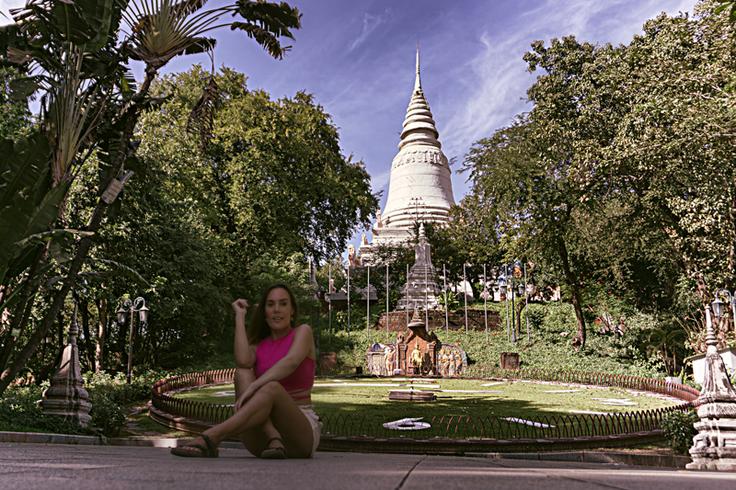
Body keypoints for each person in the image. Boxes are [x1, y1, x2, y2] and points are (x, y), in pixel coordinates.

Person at [171, 284, 320, 459]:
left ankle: (211, 437)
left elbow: (291, 362)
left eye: (283, 304)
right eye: (270, 305)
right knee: (242, 373)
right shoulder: (259, 347)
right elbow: (242, 361)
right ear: (264, 312)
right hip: (263, 441)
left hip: (299, 434)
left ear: (292, 310)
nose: (277, 310)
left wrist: (255, 385)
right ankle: (273, 437)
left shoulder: (303, 332)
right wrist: (240, 317)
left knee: (271, 387)